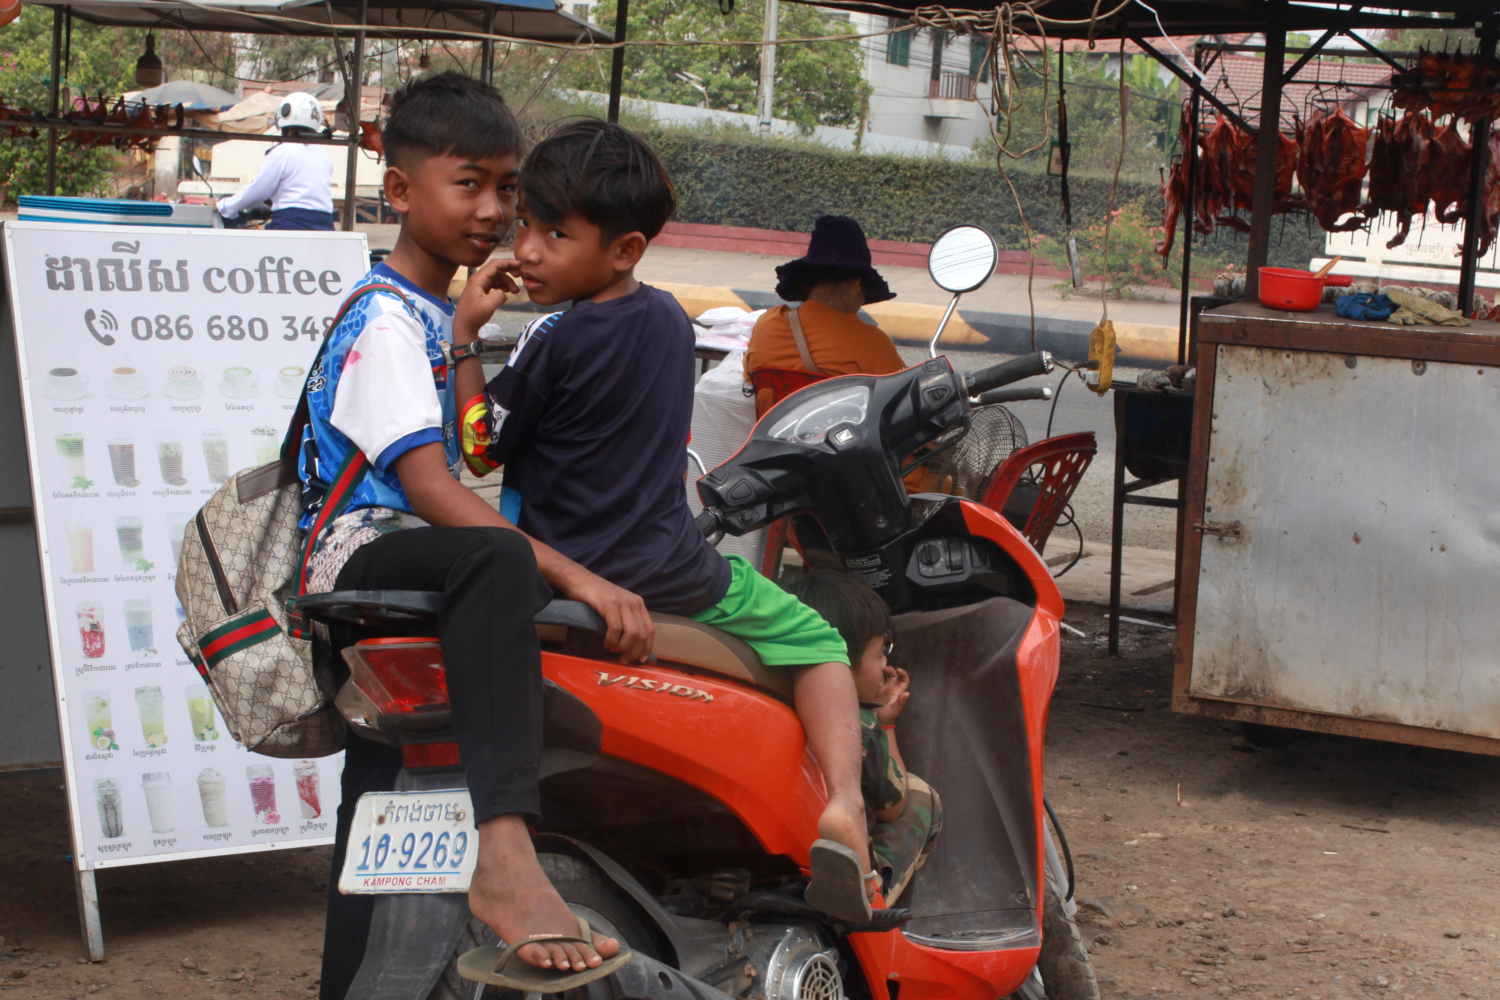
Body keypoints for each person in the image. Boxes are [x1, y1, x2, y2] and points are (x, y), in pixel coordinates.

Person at [453, 119, 876, 918]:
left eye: (553, 234)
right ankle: (846, 804)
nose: (529, 251)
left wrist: (462, 341)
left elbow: (482, 448)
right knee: (820, 642)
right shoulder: (669, 320)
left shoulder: (554, 338)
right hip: (668, 572)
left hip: (565, 570)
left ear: (623, 248)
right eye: (526, 229)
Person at [305, 74, 641, 999]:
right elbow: (431, 488)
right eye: (469, 185)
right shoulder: (380, 313)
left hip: (413, 568)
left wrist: (465, 340)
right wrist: (581, 577)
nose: (494, 211)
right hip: (361, 554)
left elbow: (477, 452)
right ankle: (504, 847)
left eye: (506, 188)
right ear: (401, 190)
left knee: (376, 798)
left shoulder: (426, 315)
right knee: (501, 554)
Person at [784, 571, 942, 905]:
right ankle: (872, 894)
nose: (886, 665)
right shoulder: (858, 724)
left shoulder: (775, 702)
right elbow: (893, 805)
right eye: (880, 653)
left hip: (777, 844)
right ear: (842, 663)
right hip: (821, 855)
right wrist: (884, 723)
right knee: (923, 797)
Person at [744, 214, 905, 418]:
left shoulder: (768, 323)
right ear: (857, 284)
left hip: (774, 448)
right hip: (842, 449)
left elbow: (750, 374)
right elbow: (903, 406)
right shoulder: (872, 342)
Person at [216, 92, 337, 231]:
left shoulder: (282, 153)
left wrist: (222, 205)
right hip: (325, 227)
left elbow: (257, 192)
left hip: (290, 225)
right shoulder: (324, 155)